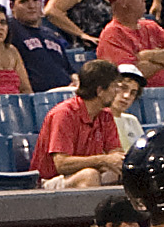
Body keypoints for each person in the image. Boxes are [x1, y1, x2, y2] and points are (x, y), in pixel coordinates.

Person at [32, 59, 125, 188]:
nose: (117, 91)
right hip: (49, 181)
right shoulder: (64, 114)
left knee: (122, 173)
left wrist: (115, 161)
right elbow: (62, 165)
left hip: (87, 171)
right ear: (100, 91)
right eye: (114, 86)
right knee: (89, 175)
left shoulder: (105, 116)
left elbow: (115, 154)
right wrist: (103, 160)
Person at [5, 0, 75, 92]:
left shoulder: (52, 34)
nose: (31, 6)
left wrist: (75, 79)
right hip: (37, 98)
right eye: (24, 1)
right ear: (12, 6)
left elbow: (69, 70)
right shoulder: (8, 29)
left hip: (65, 93)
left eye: (35, 0)